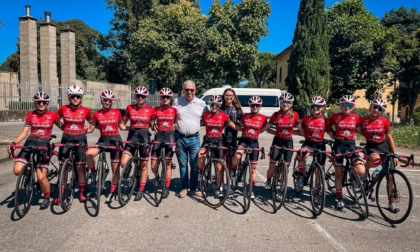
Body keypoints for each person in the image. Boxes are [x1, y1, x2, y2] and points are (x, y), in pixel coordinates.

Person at [7, 92, 63, 209]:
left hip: (44, 143)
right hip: (30, 142)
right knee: (17, 170)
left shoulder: (53, 115)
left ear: (47, 103)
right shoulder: (30, 115)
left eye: (44, 102)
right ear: (35, 103)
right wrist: (14, 143)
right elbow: (24, 133)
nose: (41, 104)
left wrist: (78, 130)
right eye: (39, 102)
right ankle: (28, 173)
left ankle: (47, 197)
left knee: (41, 177)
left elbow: (63, 127)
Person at [357, 99, 399, 213]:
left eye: (380, 109)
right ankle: (364, 169)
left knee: (392, 175)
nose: (376, 110)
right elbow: (358, 130)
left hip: (383, 145)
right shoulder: (362, 120)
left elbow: (389, 138)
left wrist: (394, 154)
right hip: (371, 146)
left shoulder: (385, 121)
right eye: (375, 107)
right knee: (376, 160)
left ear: (382, 111)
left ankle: (391, 202)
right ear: (370, 107)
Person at [86, 90, 128, 203]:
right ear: (101, 100)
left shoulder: (117, 113)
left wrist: (134, 127)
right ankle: (94, 172)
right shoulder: (96, 114)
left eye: (109, 100)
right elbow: (91, 129)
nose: (107, 102)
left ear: (112, 102)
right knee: (88, 154)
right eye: (105, 100)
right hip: (103, 140)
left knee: (115, 169)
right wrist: (81, 130)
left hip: (115, 141)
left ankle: (112, 191)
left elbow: (122, 127)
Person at [327, 95, 365, 210]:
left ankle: (353, 178)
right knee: (339, 174)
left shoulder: (356, 117)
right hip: (339, 145)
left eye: (350, 105)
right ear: (340, 105)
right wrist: (331, 133)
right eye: (344, 105)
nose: (347, 107)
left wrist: (371, 137)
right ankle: (339, 199)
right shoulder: (335, 116)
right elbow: (328, 125)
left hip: (351, 146)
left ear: (353, 107)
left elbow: (360, 130)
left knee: (361, 170)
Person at [197, 95, 240, 197]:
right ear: (210, 105)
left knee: (219, 166)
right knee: (200, 156)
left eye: (216, 105)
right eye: (212, 104)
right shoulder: (205, 115)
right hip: (207, 139)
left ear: (220, 105)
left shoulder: (224, 115)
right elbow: (196, 123)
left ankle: (218, 186)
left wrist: (245, 130)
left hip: (219, 140)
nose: (214, 107)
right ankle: (201, 172)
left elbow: (233, 126)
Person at [55, 85, 92, 203]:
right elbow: (56, 120)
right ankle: (61, 193)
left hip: (81, 138)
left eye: (77, 96)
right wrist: (63, 128)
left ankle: (82, 191)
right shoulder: (63, 108)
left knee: (80, 167)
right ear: (69, 97)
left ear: (81, 98)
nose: (75, 98)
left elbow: (93, 123)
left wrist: (89, 129)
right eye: (72, 96)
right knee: (63, 168)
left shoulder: (85, 110)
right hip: (66, 138)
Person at [120, 86, 155, 201]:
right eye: (138, 96)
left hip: (144, 137)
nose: (140, 98)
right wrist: (126, 128)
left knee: (143, 166)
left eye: (143, 96)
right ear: (135, 96)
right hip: (132, 136)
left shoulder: (150, 110)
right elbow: (123, 123)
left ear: (146, 97)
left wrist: (156, 128)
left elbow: (152, 125)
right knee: (123, 162)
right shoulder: (129, 108)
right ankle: (128, 170)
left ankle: (140, 190)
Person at [173, 80, 206, 198]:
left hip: (194, 138)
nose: (189, 92)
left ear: (195, 91)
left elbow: (209, 116)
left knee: (194, 165)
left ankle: (193, 188)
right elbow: (170, 116)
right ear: (183, 90)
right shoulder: (177, 101)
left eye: (192, 90)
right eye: (187, 89)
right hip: (180, 137)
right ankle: (184, 188)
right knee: (183, 164)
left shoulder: (201, 103)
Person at [232, 96, 268, 199]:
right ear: (250, 106)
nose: (255, 107)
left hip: (254, 142)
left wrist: (258, 132)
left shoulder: (263, 117)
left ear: (260, 106)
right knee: (237, 156)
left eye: (257, 105)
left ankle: (251, 189)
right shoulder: (245, 116)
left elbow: (265, 127)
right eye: (253, 105)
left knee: (253, 168)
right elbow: (239, 124)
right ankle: (234, 170)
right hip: (244, 140)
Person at [262, 92, 300, 190]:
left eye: (288, 102)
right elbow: (267, 128)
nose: (285, 104)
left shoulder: (295, 115)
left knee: (285, 167)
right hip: (277, 141)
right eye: (283, 102)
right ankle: (268, 180)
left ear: (291, 104)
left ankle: (282, 184)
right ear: (280, 103)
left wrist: (304, 135)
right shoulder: (276, 115)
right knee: (273, 165)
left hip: (288, 141)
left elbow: (300, 129)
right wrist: (275, 133)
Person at [296, 96, 327, 196]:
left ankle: (317, 189)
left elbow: (332, 131)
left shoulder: (326, 120)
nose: (315, 108)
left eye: (318, 106)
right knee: (302, 154)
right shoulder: (306, 118)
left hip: (320, 144)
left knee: (319, 170)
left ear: (322, 107)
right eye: (313, 106)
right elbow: (302, 131)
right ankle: (300, 176)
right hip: (308, 143)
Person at [151, 88, 176, 199]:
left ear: (170, 98)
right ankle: (157, 177)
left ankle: (166, 188)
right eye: (163, 97)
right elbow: (152, 122)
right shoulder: (156, 109)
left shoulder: (174, 110)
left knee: (167, 164)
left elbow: (178, 122)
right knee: (153, 165)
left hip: (170, 135)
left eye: (167, 97)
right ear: (160, 98)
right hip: (159, 135)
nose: (165, 99)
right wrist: (153, 126)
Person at [220, 88, 243, 194]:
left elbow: (242, 124)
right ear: (223, 96)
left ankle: (228, 184)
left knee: (229, 162)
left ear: (234, 96)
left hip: (231, 138)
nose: (229, 97)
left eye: (231, 95)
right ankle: (220, 183)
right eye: (227, 95)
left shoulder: (237, 109)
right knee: (220, 162)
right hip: (219, 138)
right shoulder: (219, 107)